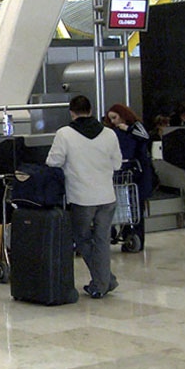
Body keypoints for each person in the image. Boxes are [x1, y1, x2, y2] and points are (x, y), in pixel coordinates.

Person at [46, 96, 123, 298]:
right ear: (90, 110)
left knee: (81, 239)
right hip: (107, 196)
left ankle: (102, 282)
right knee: (102, 240)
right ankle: (106, 279)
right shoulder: (109, 134)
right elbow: (117, 164)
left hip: (81, 197)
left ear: (72, 112)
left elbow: (53, 161)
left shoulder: (64, 134)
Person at [103, 103, 152, 252]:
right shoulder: (114, 132)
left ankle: (135, 236)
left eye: (115, 117)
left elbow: (145, 136)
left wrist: (129, 129)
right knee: (128, 206)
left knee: (135, 205)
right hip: (129, 173)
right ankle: (128, 235)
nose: (113, 122)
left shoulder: (136, 127)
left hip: (138, 173)